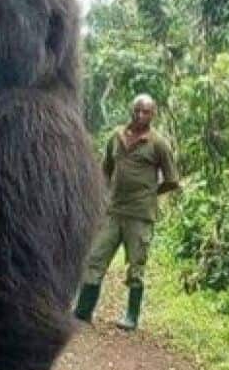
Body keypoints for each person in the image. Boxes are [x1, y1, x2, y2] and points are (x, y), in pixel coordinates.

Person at [74, 94, 179, 330]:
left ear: (153, 115)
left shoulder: (158, 144)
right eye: (137, 110)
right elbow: (105, 171)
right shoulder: (116, 137)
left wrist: (150, 193)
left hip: (140, 215)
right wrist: (102, 197)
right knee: (95, 259)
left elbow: (172, 180)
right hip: (113, 212)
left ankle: (131, 317)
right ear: (131, 110)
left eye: (146, 112)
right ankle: (83, 311)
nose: (140, 115)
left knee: (136, 266)